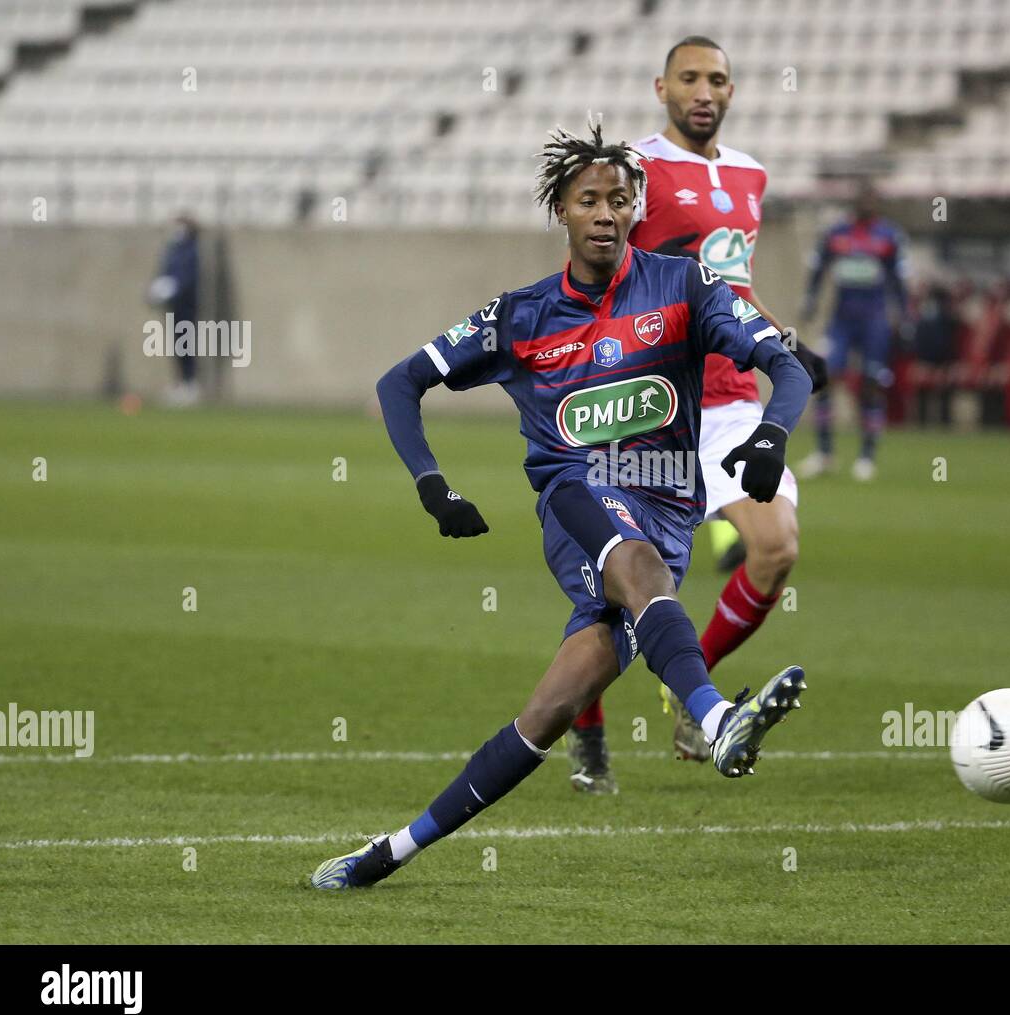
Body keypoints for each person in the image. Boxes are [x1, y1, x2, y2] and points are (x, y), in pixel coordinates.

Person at [309, 120, 811, 890]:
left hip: (670, 510)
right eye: (588, 200)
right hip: (577, 503)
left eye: (619, 199)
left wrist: (773, 433)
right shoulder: (521, 316)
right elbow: (399, 383)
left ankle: (389, 853)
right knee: (619, 538)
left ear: (637, 208)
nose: (606, 212)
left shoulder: (684, 285)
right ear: (563, 213)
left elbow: (789, 364)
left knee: (547, 712)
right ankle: (716, 721)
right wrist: (432, 485)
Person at [557, 36, 828, 792]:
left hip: (734, 399)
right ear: (661, 87)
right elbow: (600, 271)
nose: (704, 91)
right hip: (654, 402)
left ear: (732, 92)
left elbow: (726, 281)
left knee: (774, 548)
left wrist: (786, 342)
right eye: (689, 78)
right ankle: (587, 736)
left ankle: (691, 685)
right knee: (619, 589)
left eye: (717, 79)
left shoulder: (748, 175)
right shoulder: (632, 172)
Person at [798, 182, 909, 480]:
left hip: (874, 320)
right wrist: (809, 300)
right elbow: (818, 269)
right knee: (824, 379)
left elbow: (899, 280)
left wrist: (905, 315)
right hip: (842, 320)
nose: (867, 204)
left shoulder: (889, 235)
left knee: (872, 384)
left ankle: (866, 457)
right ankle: (824, 454)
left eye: (872, 199)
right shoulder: (837, 233)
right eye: (863, 198)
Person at [147, 214, 201, 406]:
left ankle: (190, 384)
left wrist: (175, 288)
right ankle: (181, 383)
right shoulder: (172, 250)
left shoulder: (192, 251)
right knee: (177, 345)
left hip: (187, 305)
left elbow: (188, 278)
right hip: (173, 306)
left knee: (186, 344)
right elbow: (165, 272)